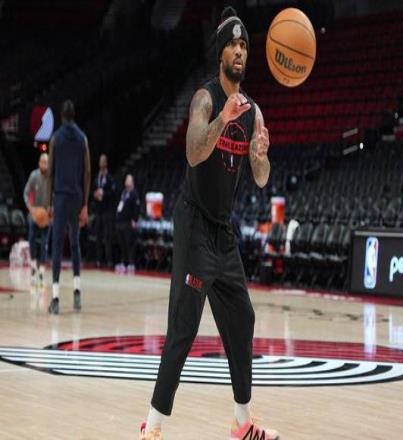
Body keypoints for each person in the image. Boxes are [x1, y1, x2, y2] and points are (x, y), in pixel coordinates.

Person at [139, 7, 279, 440]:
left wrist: (261, 154)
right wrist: (224, 118)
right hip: (194, 222)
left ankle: (242, 423)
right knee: (184, 325)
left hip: (223, 231)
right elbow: (194, 152)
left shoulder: (254, 111)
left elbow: (261, 177)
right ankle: (152, 427)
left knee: (243, 318)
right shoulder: (206, 98)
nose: (239, 52)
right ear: (220, 53)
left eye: (244, 46)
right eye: (232, 45)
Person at [47, 100, 91, 315]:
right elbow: (87, 172)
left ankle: (55, 298)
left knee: (57, 246)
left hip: (61, 197)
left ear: (61, 116)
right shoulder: (83, 138)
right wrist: (85, 204)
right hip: (76, 197)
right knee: (75, 244)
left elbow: (50, 172)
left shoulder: (55, 138)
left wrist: (49, 203)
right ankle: (77, 292)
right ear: (74, 115)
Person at [23, 153, 50, 287]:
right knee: (31, 238)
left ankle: (42, 269)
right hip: (35, 213)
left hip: (46, 215)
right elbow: (26, 193)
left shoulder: (52, 178)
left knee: (45, 243)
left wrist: (52, 208)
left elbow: (56, 195)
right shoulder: (34, 175)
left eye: (46, 162)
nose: (44, 164)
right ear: (39, 163)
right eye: (42, 162)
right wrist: (30, 207)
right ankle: (33, 265)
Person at [93, 154, 116, 267]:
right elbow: (93, 191)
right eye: (100, 161)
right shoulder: (97, 177)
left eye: (103, 161)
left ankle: (109, 259)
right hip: (98, 210)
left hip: (107, 211)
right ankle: (98, 259)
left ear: (106, 163)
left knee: (107, 236)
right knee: (98, 235)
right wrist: (95, 194)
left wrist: (104, 194)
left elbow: (113, 193)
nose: (101, 163)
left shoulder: (110, 178)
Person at [115, 174, 140, 274]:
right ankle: (124, 262)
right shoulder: (124, 193)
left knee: (129, 243)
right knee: (122, 244)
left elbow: (136, 208)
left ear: (132, 182)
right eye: (126, 180)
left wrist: (135, 220)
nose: (127, 181)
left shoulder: (134, 194)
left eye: (129, 180)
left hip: (128, 222)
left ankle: (131, 263)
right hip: (120, 222)